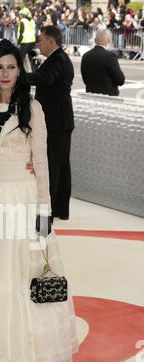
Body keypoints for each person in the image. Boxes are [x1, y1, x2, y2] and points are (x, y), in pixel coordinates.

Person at [0, 40, 78, 362]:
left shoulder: (33, 108)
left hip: (23, 198)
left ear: (20, 70)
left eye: (12, 67)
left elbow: (41, 161)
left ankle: (26, 347)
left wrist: (45, 208)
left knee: (23, 271)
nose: (5, 74)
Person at [28, 25, 74, 221]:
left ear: (50, 40)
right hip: (60, 119)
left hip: (57, 120)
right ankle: (59, 208)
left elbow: (45, 79)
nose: (39, 43)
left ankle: (51, 209)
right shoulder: (58, 58)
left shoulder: (58, 59)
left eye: (41, 39)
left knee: (54, 165)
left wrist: (20, 77)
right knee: (60, 164)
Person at [81, 29, 125, 96]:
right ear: (109, 40)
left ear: (95, 40)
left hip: (91, 93)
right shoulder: (110, 56)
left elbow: (85, 79)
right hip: (108, 96)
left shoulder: (86, 56)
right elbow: (120, 80)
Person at [17, 7, 36, 72]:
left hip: (25, 42)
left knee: (20, 59)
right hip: (32, 42)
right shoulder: (32, 21)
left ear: (23, 14)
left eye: (21, 14)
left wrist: (18, 42)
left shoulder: (22, 21)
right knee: (31, 59)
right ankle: (34, 72)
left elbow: (21, 33)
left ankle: (19, 74)